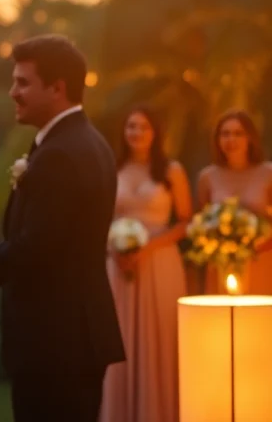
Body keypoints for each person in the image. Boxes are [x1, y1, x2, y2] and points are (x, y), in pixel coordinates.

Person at [0, 35, 125, 422]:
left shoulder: (60, 154)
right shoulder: (84, 142)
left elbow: (37, 248)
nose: (13, 92)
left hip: (56, 341)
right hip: (72, 336)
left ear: (57, 88)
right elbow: (46, 239)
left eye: (23, 82)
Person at [100, 106, 192, 422]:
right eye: (131, 127)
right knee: (120, 336)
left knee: (161, 337)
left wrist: (148, 247)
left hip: (160, 263)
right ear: (124, 132)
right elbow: (102, 218)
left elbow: (184, 221)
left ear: (155, 133)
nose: (137, 133)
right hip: (119, 262)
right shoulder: (114, 168)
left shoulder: (171, 171)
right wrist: (115, 249)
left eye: (143, 127)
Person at [197, 109, 272, 294]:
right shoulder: (207, 177)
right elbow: (201, 222)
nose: (231, 139)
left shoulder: (268, 173)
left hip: (260, 259)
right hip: (220, 264)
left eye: (238, 133)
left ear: (250, 138)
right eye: (225, 134)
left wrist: (254, 243)